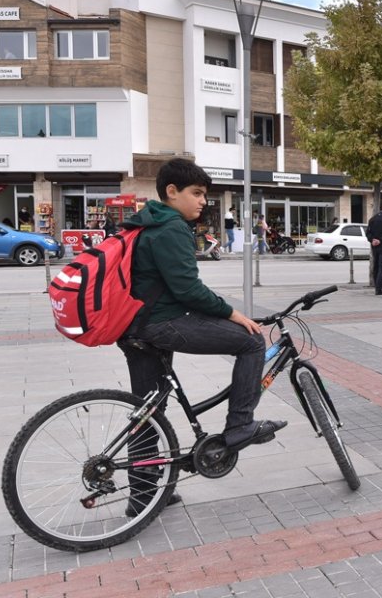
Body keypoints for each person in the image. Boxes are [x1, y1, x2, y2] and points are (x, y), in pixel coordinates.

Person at [118, 158, 285, 516]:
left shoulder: (145, 224)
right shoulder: (171, 227)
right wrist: (233, 313)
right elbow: (188, 290)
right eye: (196, 193)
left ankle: (143, 498)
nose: (202, 201)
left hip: (133, 328)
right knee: (252, 340)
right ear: (171, 192)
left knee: (149, 411)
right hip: (162, 324)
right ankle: (240, 426)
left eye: (205, 195)